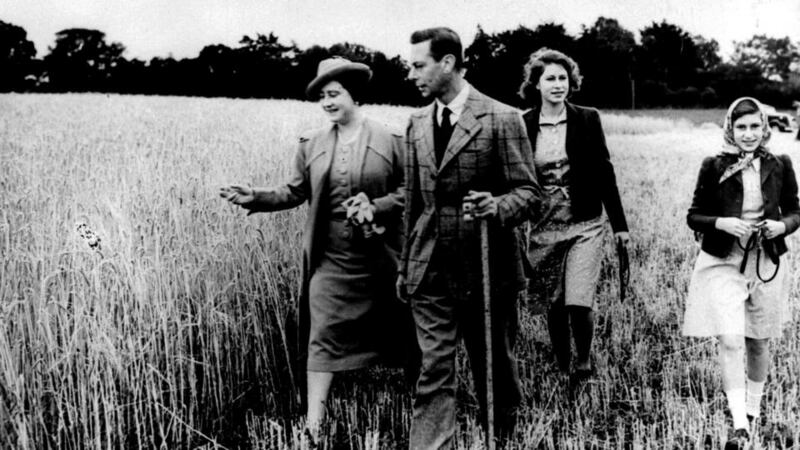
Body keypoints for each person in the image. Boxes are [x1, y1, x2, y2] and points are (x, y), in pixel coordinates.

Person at [219, 57, 417, 442]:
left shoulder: (392, 139)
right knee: (322, 331)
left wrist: (378, 207)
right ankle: (314, 425)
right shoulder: (311, 143)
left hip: (383, 254)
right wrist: (255, 196)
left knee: (403, 327)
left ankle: (417, 404)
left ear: (353, 94)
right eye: (322, 96)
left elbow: (411, 191)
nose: (327, 102)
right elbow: (294, 191)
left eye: (334, 94)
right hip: (330, 256)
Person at [398, 27, 540, 449]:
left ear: (447, 63)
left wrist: (496, 205)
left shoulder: (502, 118)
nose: (411, 74)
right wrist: (405, 267)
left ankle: (502, 438)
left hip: (487, 266)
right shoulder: (416, 123)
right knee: (433, 369)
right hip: (429, 268)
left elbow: (529, 193)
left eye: (418, 65)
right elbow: (412, 205)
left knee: (493, 367)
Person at [683, 97, 800, 449]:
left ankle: (752, 410)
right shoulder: (713, 165)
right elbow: (694, 215)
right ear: (730, 129)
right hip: (723, 260)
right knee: (731, 339)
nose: (748, 134)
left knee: (758, 340)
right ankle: (739, 425)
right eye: (741, 127)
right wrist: (721, 222)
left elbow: (795, 211)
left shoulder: (780, 163)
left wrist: (782, 226)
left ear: (764, 128)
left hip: (765, 262)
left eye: (754, 127)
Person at [518, 48, 629, 385]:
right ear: (536, 84)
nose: (558, 84)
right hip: (545, 223)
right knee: (553, 302)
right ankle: (562, 362)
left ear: (571, 82)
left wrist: (620, 226)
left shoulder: (587, 118)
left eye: (563, 78)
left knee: (578, 300)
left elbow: (604, 172)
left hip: (585, 222)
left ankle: (583, 363)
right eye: (550, 78)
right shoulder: (523, 123)